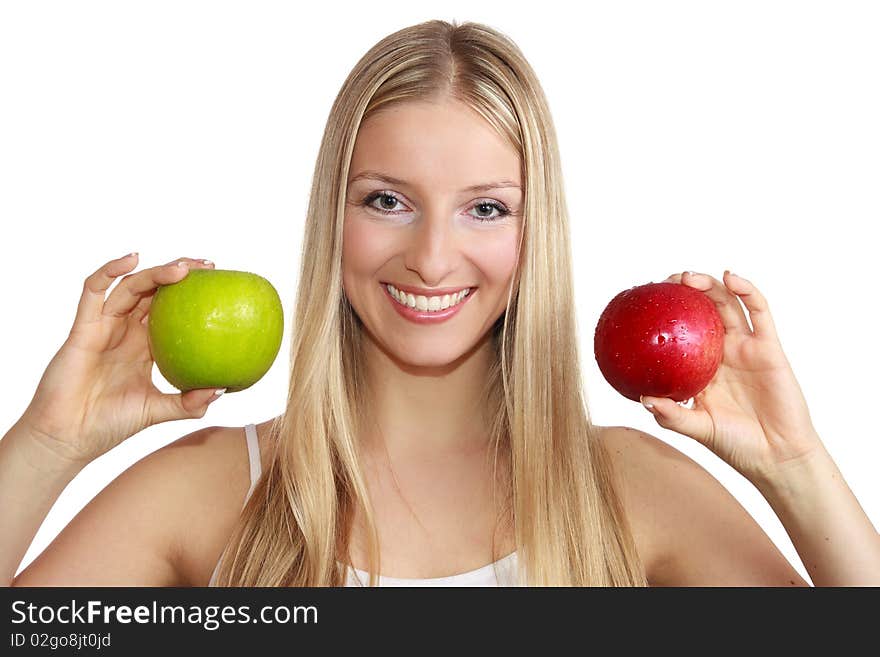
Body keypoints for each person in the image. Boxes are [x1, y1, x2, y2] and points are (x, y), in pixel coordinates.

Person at [2, 19, 878, 588]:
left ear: (537, 233)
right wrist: (49, 441)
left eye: (486, 208)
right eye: (387, 200)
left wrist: (794, 463)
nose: (429, 257)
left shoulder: (635, 495)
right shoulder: (206, 492)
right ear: (332, 217)